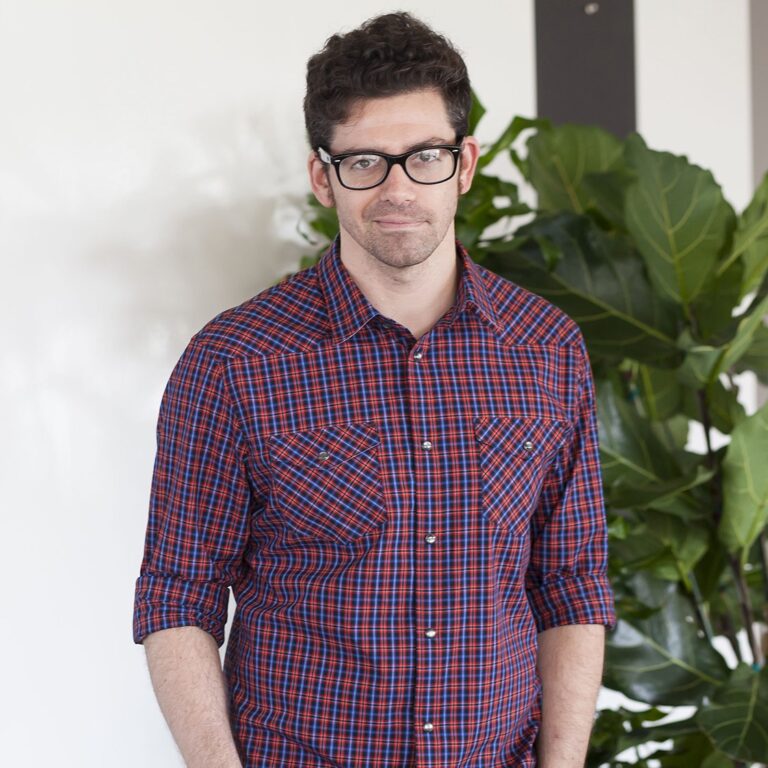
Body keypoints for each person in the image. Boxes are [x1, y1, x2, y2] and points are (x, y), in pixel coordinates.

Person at [133, 12, 616, 768]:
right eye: (365, 162)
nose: (398, 189)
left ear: (464, 164)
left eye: (424, 156)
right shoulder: (232, 363)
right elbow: (178, 595)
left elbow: (572, 582)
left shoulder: (548, 350)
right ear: (322, 175)